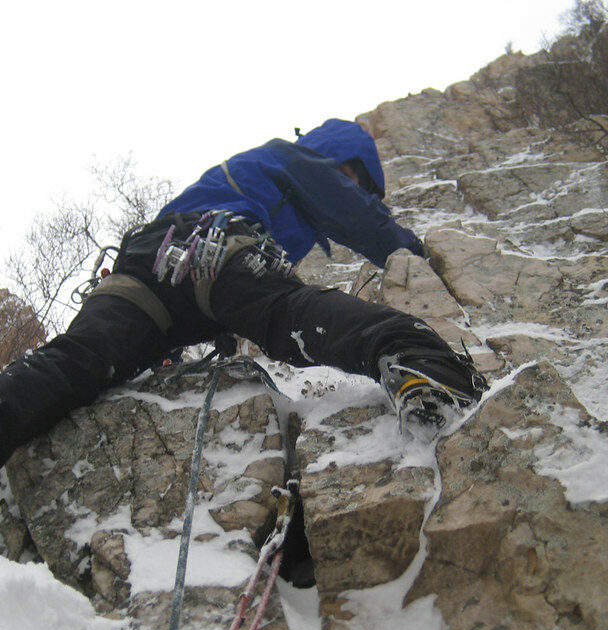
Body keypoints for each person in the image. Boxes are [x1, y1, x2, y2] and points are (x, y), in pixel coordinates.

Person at [0, 119, 487, 468]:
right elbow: (354, 212)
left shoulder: (250, 179)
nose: (350, 184)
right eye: (353, 175)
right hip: (214, 250)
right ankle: (413, 354)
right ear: (339, 157)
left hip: (141, 270)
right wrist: (413, 254)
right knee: (288, 315)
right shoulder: (293, 159)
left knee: (76, 360)